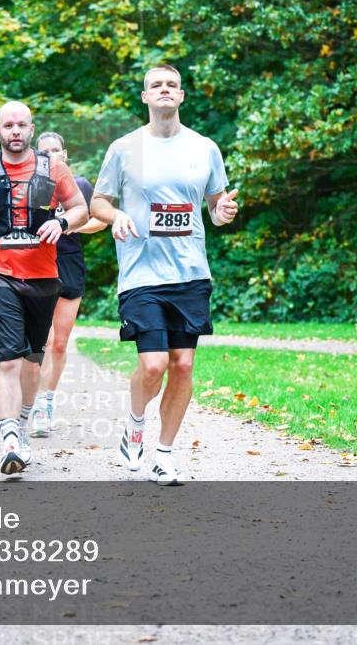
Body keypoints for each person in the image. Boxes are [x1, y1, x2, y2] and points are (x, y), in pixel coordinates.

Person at [89, 65, 239, 485]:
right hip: (141, 273)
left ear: (182, 95)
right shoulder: (125, 148)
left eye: (172, 84)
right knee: (153, 365)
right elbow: (98, 202)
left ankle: (164, 454)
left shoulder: (205, 148)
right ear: (145, 97)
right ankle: (135, 425)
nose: (165, 90)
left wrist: (223, 212)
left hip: (190, 271)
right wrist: (116, 215)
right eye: (156, 85)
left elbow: (216, 207)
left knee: (183, 365)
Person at [0, 101, 88, 475]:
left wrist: (62, 222)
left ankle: (22, 425)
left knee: (32, 360)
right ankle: (10, 439)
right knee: (8, 358)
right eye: (8, 125)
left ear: (31, 130)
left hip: (43, 277)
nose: (15, 131)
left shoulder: (53, 169)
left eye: (21, 125)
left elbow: (81, 209)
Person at [28, 132, 107, 437]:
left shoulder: (81, 185)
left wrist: (70, 227)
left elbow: (100, 220)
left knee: (59, 342)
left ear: (65, 153)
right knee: (43, 340)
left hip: (70, 263)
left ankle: (47, 401)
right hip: (38, 264)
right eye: (44, 151)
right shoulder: (32, 187)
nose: (50, 155)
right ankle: (33, 402)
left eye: (55, 150)